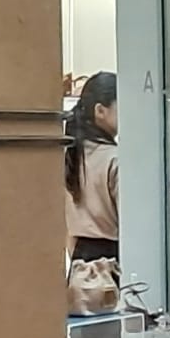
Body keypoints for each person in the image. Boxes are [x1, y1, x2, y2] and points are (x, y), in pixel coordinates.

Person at [65, 71, 120, 262]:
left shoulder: (70, 153)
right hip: (113, 257)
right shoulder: (115, 158)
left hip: (80, 258)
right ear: (100, 111)